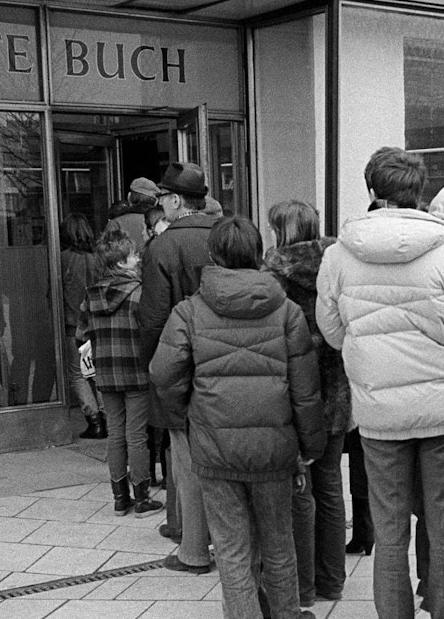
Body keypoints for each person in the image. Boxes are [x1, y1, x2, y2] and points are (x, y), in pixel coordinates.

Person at [317, 147, 444, 619]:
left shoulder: (339, 256)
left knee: (389, 533)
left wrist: (366, 350)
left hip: (379, 413)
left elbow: (330, 328)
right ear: (420, 192)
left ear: (372, 191)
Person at [152, 217, 326, 619]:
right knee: (280, 546)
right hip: (274, 450)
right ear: (256, 254)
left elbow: (163, 373)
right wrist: (310, 445)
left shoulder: (189, 311)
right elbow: (305, 390)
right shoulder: (287, 311)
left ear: (213, 256)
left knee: (232, 551)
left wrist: (190, 413)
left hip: (216, 449)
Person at [262, 200, 350, 605]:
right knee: (331, 486)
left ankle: (305, 588)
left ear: (281, 231)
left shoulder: (274, 274)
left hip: (297, 395)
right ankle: (333, 581)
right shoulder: (337, 263)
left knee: (300, 494)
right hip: (337, 390)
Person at [138, 161, 219, 573]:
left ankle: (194, 548)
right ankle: (229, 542)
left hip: (181, 364)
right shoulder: (229, 235)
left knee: (185, 458)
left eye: (162, 198)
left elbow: (152, 319)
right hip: (228, 362)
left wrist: (154, 367)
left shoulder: (162, 247)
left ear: (173, 200)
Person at [78, 231, 164, 518]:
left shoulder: (91, 296)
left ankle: (119, 498)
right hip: (137, 370)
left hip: (106, 371)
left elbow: (81, 334)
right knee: (137, 434)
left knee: (115, 433)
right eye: (132, 255)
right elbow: (152, 330)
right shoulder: (140, 292)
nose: (138, 258)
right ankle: (142, 498)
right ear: (121, 263)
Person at [61, 213, 105, 439]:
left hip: (73, 323)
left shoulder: (64, 259)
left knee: (78, 374)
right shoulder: (99, 257)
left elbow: (54, 294)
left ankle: (94, 419)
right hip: (98, 323)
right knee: (97, 372)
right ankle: (106, 416)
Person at [108, 177, 161, 245]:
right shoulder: (163, 221)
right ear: (155, 201)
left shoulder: (116, 223)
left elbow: (107, 252)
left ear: (130, 197)